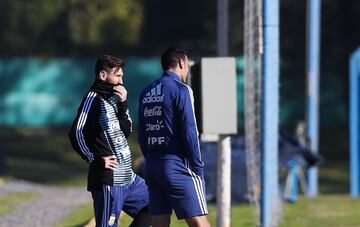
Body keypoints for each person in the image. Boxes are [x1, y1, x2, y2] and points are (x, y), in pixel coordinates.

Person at [68, 55, 150, 227]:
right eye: (118, 76)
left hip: (130, 179)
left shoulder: (113, 100)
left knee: (157, 206)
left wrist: (123, 103)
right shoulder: (92, 99)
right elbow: (76, 133)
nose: (122, 80)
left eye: (122, 76)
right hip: (109, 182)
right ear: (103, 75)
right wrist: (95, 158)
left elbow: (126, 131)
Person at [138, 47, 210, 227]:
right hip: (177, 164)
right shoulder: (181, 90)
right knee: (199, 222)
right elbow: (189, 131)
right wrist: (197, 167)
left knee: (159, 223)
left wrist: (150, 159)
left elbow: (142, 135)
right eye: (187, 65)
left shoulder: (146, 92)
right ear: (182, 62)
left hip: (152, 165)